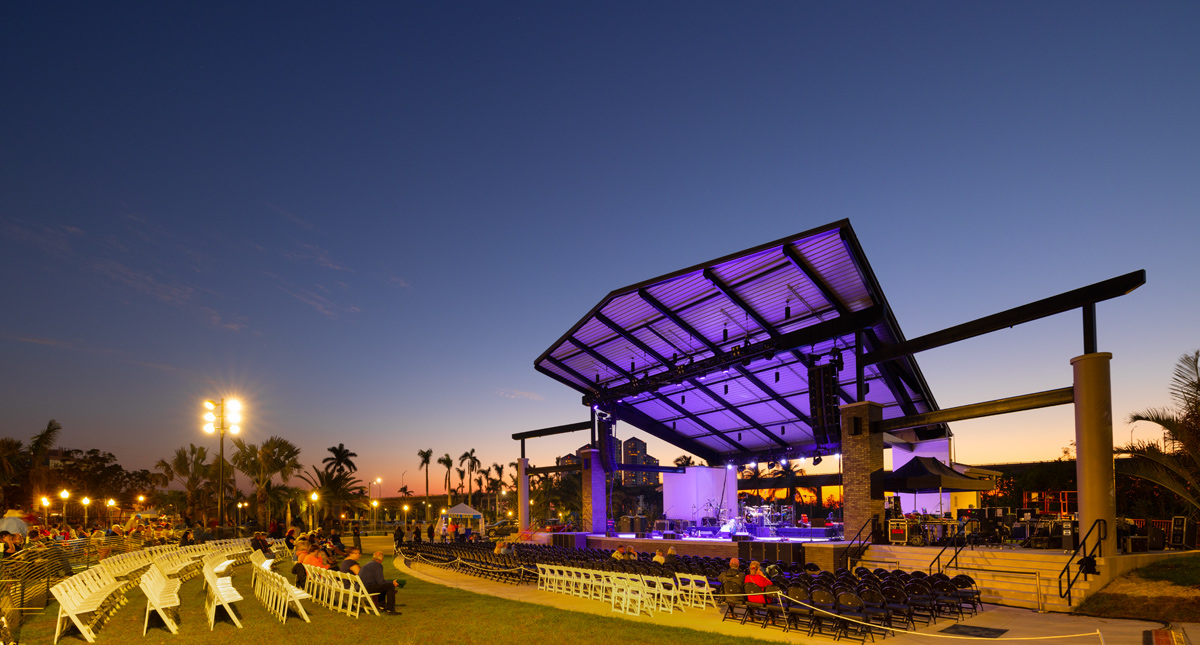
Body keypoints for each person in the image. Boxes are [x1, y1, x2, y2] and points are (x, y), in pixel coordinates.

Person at [359, 550, 404, 614]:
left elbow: (379, 582)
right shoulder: (378, 565)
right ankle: (390, 609)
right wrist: (392, 583)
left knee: (383, 586)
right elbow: (380, 581)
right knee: (390, 586)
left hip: (361, 587)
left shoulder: (368, 564)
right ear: (381, 559)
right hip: (366, 588)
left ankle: (382, 606)